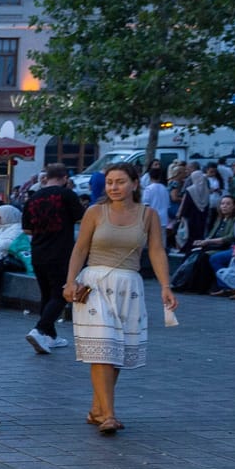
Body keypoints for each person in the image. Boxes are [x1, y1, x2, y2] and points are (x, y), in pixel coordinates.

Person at [62, 164, 176, 435]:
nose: (113, 187)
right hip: (95, 284)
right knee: (103, 347)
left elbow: (157, 251)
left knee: (116, 351)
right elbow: (80, 249)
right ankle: (109, 415)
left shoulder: (148, 215)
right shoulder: (94, 212)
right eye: (110, 182)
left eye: (120, 182)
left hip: (129, 285)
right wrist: (70, 280)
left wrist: (165, 286)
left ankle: (97, 409)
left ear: (135, 184)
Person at [21, 164, 86, 355]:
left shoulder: (33, 198)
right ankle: (40, 329)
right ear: (65, 178)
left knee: (47, 295)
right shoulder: (67, 195)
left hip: (38, 252)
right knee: (60, 294)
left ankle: (51, 336)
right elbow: (82, 218)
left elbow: (26, 229)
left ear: (45, 177)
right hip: (61, 252)